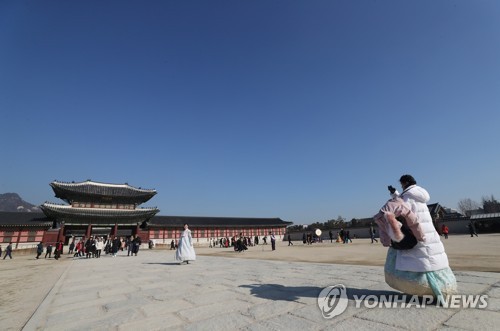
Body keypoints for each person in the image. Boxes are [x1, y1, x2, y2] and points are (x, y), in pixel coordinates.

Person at [380, 174, 457, 300]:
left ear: (405, 183)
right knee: (432, 259)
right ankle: (442, 288)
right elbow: (403, 200)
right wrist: (394, 194)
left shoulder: (407, 197)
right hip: (427, 232)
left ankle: (420, 288)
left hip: (414, 232)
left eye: (401, 184)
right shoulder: (419, 195)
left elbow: (401, 207)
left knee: (416, 262)